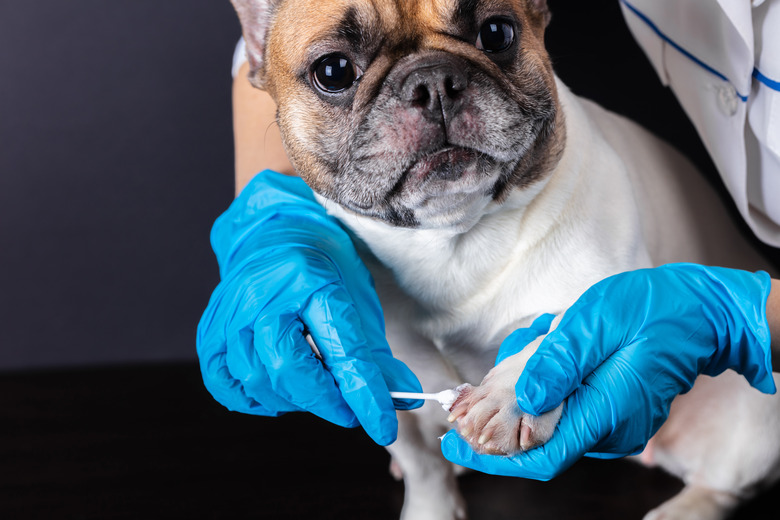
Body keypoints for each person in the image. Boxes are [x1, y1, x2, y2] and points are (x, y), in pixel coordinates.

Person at [196, 1, 780, 474]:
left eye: (493, 35)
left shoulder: (598, 194)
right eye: (337, 72)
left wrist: (733, 317)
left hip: (729, 377)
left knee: (747, 445)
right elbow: (291, 39)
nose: (433, 94)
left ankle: (718, 494)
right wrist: (265, 218)